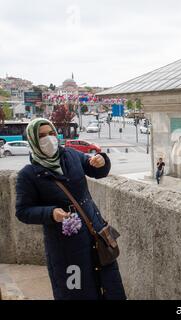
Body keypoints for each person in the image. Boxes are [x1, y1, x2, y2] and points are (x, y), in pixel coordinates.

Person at [15, 118, 126, 300]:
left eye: (51, 133)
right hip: (66, 247)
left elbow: (98, 171)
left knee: (110, 285)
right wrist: (51, 213)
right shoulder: (28, 175)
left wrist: (101, 161)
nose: (49, 139)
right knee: (77, 291)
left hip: (96, 234)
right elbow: (23, 211)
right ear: (33, 140)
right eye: (42, 135)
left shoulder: (72, 155)